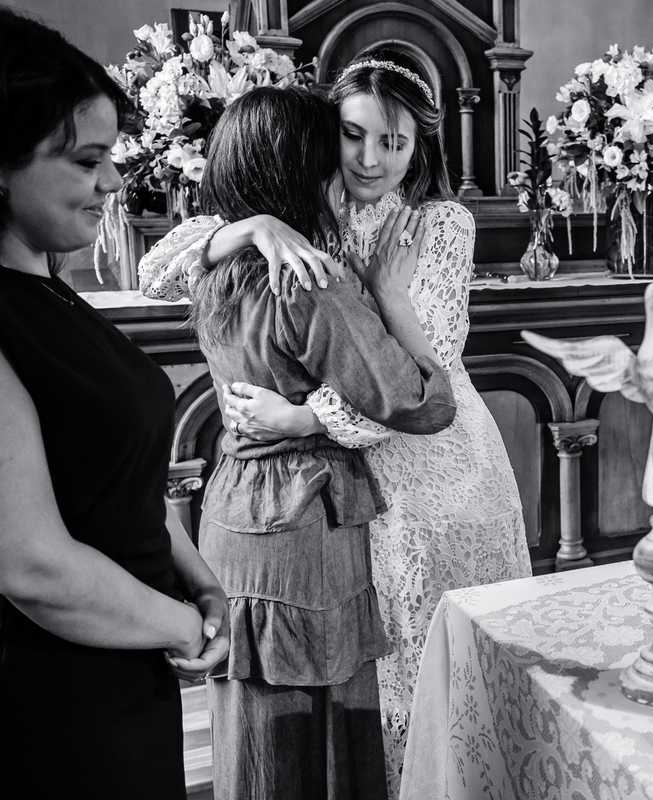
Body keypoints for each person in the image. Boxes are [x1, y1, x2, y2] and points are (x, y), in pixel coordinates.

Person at [140, 46, 532, 790]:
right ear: (328, 134)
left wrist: (303, 419)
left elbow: (427, 369)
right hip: (333, 487)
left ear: (420, 149)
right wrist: (253, 226)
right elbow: (157, 273)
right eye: (354, 135)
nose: (371, 159)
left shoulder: (440, 222)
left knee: (430, 653)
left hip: (428, 464)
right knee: (365, 665)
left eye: (395, 142)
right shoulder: (303, 200)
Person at [188, 85, 458, 799]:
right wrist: (388, 297)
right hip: (302, 529)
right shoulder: (309, 280)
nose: (351, 166)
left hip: (232, 516)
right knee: (314, 736)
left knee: (250, 733)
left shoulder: (212, 268)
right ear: (303, 166)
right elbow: (423, 403)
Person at [0, 10, 229, 798]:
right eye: (86, 161)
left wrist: (199, 580)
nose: (111, 184)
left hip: (130, 664)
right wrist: (179, 623)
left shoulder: (53, 292)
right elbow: (30, 566)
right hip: (52, 695)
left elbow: (122, 478)